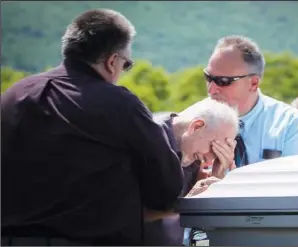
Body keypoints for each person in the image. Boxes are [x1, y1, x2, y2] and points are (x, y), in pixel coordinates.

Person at [1, 9, 184, 246]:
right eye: (126, 65)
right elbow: (167, 193)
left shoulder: (13, 96)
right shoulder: (118, 104)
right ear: (112, 61)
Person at [205, 35, 298, 166]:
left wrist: (231, 175)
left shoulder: (289, 123)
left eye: (223, 81)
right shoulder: (194, 122)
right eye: (208, 77)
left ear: (254, 83)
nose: (211, 89)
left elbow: (296, 181)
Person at [144, 98, 239, 246]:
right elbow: (128, 213)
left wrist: (216, 175)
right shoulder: (147, 138)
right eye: (213, 148)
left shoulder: (191, 149)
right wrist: (188, 203)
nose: (208, 161)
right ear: (196, 126)